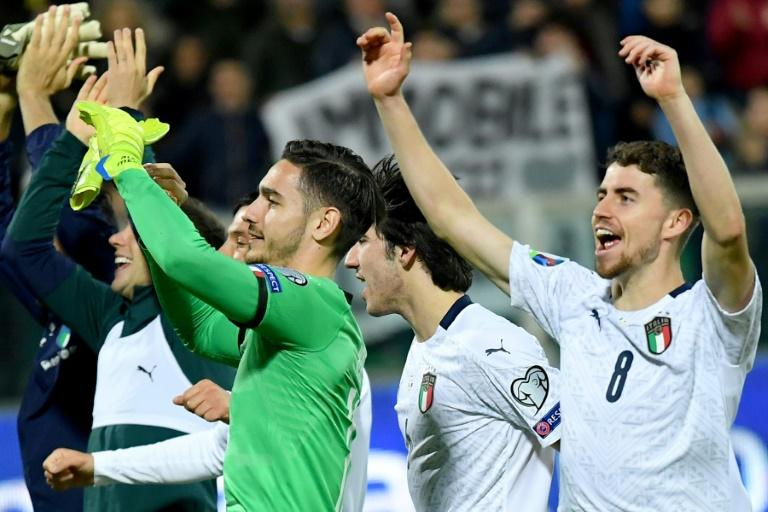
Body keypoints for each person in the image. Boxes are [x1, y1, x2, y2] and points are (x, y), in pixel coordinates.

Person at [357, 14, 762, 510]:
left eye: (626, 198)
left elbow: (728, 230)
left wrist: (674, 99)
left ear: (676, 222)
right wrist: (390, 100)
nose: (602, 209)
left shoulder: (712, 316)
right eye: (602, 194)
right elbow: (451, 217)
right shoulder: (574, 297)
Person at [77, 97, 382, 510]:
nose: (251, 213)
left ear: (324, 223)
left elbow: (185, 260)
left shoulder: (312, 301)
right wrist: (157, 213)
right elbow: (200, 327)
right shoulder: (286, 324)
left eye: (272, 201)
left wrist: (128, 168)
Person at [2, 27, 234, 512]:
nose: (115, 238)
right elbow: (23, 247)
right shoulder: (111, 318)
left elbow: (150, 210)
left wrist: (126, 117)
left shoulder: (194, 319)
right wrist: (63, 129)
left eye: (130, 230)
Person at [344, 156, 560, 511]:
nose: (351, 260)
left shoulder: (489, 347)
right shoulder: (426, 347)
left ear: (405, 250)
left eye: (363, 242)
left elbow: (591, 447)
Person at [0, 8, 113, 511]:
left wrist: (34, 96)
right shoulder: (63, 315)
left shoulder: (115, 309)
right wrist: (7, 102)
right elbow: (7, 231)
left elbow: (75, 221)